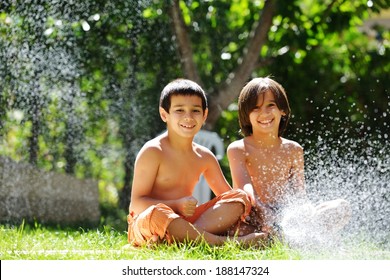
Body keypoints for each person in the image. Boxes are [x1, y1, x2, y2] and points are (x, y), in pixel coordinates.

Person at [127, 78, 266, 247]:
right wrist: (176, 205)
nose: (188, 117)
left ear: (204, 115)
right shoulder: (153, 151)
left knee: (239, 197)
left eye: (195, 110)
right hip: (149, 223)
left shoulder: (204, 156)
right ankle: (224, 243)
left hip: (186, 221)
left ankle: (180, 238)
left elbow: (229, 197)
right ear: (165, 115)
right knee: (159, 213)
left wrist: (258, 218)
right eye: (179, 110)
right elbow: (136, 204)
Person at [227, 77, 351, 245]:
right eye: (256, 108)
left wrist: (303, 212)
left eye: (270, 105)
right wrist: (264, 212)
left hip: (285, 215)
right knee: (237, 230)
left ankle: (295, 236)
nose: (264, 113)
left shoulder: (293, 149)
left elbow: (299, 194)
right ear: (246, 115)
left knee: (341, 208)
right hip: (253, 215)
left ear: (282, 110)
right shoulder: (238, 149)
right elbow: (245, 189)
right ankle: (288, 237)